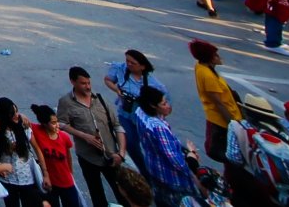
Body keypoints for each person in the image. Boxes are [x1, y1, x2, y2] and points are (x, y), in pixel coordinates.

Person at [58, 66, 126, 207]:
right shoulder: (66, 102)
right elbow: (62, 123)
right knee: (97, 194)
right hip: (88, 157)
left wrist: (121, 153)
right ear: (73, 82)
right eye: (83, 83)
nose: (88, 87)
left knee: (123, 192)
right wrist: (84, 136)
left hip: (111, 155)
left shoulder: (99, 99)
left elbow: (117, 126)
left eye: (89, 83)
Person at [134, 87, 204, 207]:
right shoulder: (158, 127)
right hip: (173, 180)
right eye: (164, 103)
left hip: (155, 171)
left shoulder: (140, 113)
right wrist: (191, 156)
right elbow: (176, 160)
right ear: (153, 106)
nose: (168, 106)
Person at [104, 49, 166, 178]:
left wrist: (162, 114)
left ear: (143, 66)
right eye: (127, 61)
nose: (129, 64)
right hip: (125, 114)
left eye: (133, 63)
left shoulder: (153, 84)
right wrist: (116, 89)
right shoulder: (120, 69)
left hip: (143, 118)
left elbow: (165, 104)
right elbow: (108, 80)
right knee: (131, 145)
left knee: (152, 146)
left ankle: (159, 172)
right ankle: (145, 174)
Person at [188, 39, 240, 163]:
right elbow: (219, 103)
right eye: (216, 55)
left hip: (222, 116)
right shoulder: (208, 76)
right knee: (229, 155)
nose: (219, 57)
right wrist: (232, 124)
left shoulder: (200, 66)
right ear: (210, 58)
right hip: (222, 120)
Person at [0, 96, 49, 207]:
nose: (16, 115)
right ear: (4, 115)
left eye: (17, 111)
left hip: (27, 178)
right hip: (8, 180)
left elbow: (37, 150)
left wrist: (45, 174)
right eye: (12, 113)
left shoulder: (24, 127)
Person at [30, 104, 80, 207]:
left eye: (56, 121)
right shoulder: (38, 131)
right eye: (53, 123)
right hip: (50, 183)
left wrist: (70, 173)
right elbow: (23, 121)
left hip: (66, 181)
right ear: (44, 124)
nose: (57, 125)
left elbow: (68, 157)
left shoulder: (64, 137)